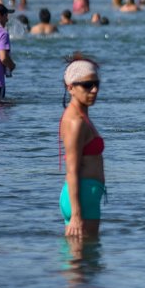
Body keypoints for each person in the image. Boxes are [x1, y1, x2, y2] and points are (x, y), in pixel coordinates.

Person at [59, 56, 105, 238]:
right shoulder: (75, 122)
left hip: (86, 198)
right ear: (70, 87)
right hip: (82, 201)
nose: (94, 90)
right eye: (87, 85)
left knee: (83, 261)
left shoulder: (81, 115)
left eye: (96, 84)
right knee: (80, 262)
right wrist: (77, 215)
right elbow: (71, 170)